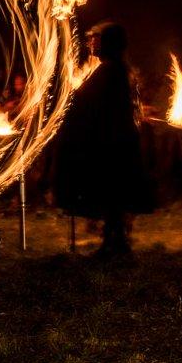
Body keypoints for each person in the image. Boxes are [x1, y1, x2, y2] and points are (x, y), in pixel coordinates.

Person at [53, 21, 154, 258]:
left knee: (113, 195)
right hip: (112, 142)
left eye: (96, 38)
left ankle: (116, 245)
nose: (90, 43)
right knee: (112, 196)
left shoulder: (111, 70)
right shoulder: (114, 68)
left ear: (109, 42)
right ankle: (114, 243)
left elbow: (88, 102)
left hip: (112, 145)